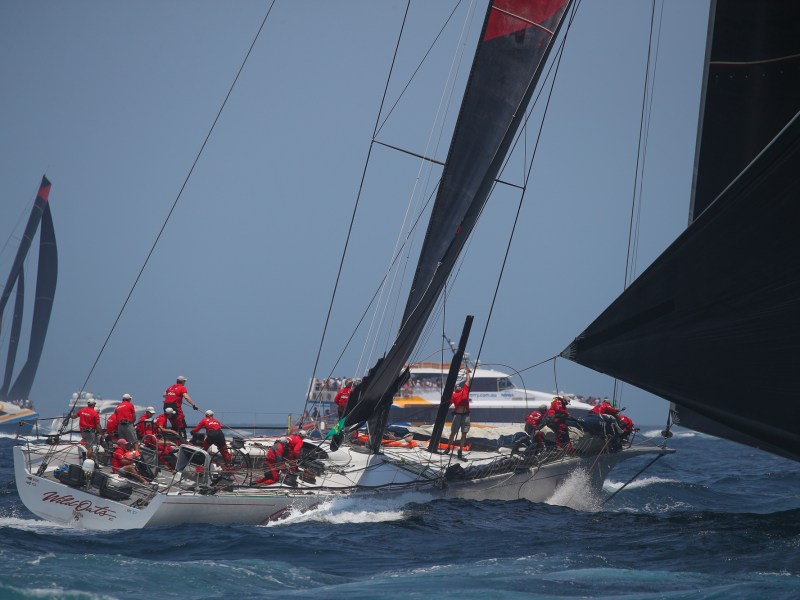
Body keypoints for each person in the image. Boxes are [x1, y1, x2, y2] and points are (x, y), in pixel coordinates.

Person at [444, 368, 471, 460]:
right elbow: (448, 404)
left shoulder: (465, 390)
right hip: (457, 415)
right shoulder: (453, 395)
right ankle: (448, 448)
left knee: (464, 433)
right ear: (455, 389)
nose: (459, 386)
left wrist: (467, 373)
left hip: (466, 415)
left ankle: (460, 451)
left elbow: (468, 380)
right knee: (453, 432)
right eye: (457, 386)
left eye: (460, 386)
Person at [163, 375, 198, 441]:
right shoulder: (182, 387)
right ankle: (184, 441)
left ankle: (172, 440)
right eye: (184, 381)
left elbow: (164, 395)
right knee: (181, 424)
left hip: (166, 405)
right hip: (174, 406)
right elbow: (186, 397)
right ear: (182, 382)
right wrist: (193, 405)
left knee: (174, 424)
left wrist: (171, 398)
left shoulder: (171, 387)